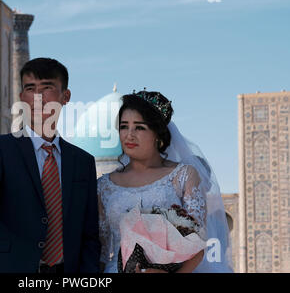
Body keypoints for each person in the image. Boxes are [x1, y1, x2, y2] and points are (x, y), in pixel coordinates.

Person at [0, 58, 100, 273]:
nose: (38, 98)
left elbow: (89, 233)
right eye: (30, 89)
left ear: (65, 96)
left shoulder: (82, 162)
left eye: (47, 88)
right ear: (22, 97)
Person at [97, 90, 233, 273]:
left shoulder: (184, 176)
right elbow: (101, 251)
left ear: (157, 133)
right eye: (123, 126)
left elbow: (197, 245)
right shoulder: (104, 186)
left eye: (139, 127)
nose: (129, 135)